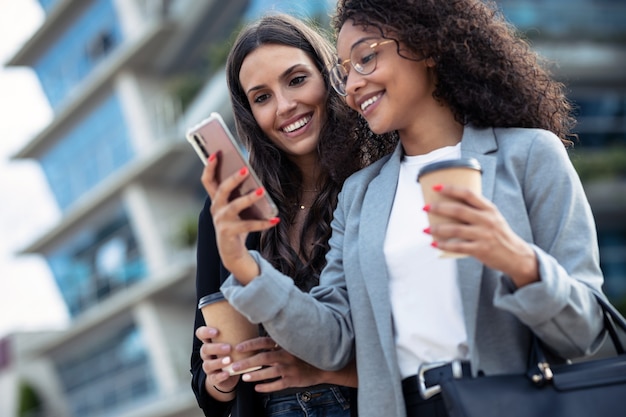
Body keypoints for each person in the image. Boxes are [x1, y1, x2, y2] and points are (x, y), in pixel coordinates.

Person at [202, 1, 608, 417]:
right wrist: (244, 267)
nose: (354, 83)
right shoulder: (361, 194)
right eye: (345, 71)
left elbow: (585, 331)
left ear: (427, 45)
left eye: (366, 58)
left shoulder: (529, 156)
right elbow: (333, 341)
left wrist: (517, 259)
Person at [190, 13, 397, 417]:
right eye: (262, 97)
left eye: (297, 80)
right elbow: (206, 388)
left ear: (327, 77)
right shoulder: (231, 209)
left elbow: (415, 344)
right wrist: (221, 377)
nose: (285, 106)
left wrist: (322, 369)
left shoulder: (379, 184)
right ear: (249, 114)